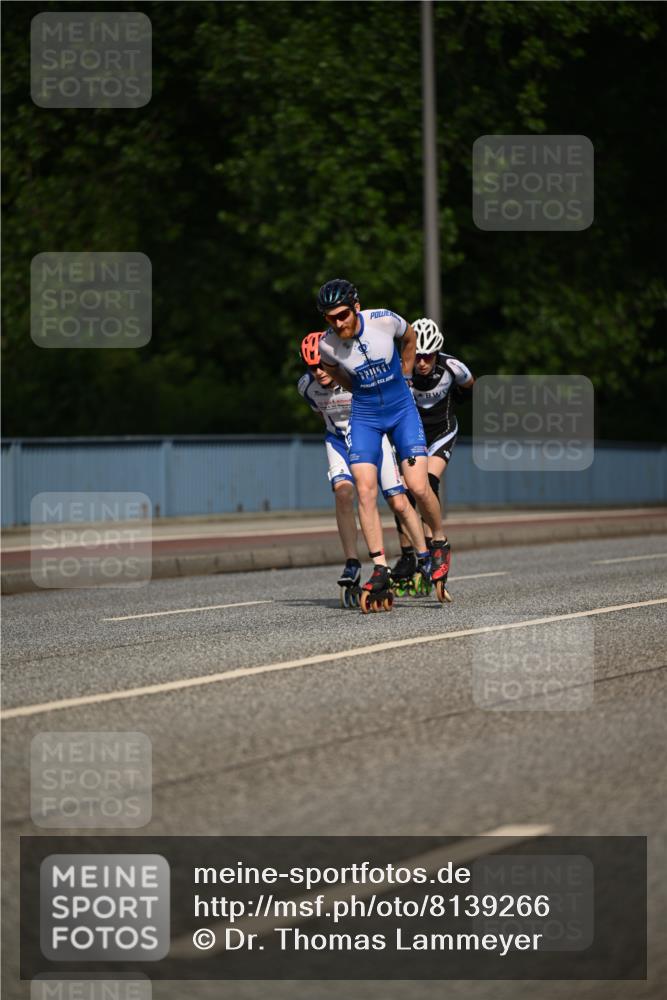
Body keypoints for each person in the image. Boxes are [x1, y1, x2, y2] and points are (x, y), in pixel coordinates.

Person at [315, 278, 451, 603]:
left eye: (343, 314)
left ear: (356, 307)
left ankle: (439, 541)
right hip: (366, 415)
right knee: (364, 488)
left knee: (418, 487)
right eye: (331, 317)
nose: (339, 323)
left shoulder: (383, 320)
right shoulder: (327, 345)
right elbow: (332, 370)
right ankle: (379, 566)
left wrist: (405, 372)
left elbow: (409, 337)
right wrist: (356, 389)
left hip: (401, 409)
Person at [298, 331, 429, 605]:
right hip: (338, 442)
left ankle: (424, 555)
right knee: (343, 493)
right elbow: (321, 414)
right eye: (312, 367)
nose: (319, 372)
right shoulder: (306, 388)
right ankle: (352, 562)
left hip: (373, 438)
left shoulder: (354, 377)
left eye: (322, 364)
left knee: (398, 501)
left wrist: (399, 451)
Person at [391, 317, 474, 586]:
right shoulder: (402, 369)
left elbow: (470, 384)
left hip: (441, 432)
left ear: (437, 353)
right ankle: (407, 555)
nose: (422, 363)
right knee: (402, 494)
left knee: (428, 483)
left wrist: (461, 397)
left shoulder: (453, 367)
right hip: (412, 435)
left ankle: (437, 545)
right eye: (418, 357)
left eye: (428, 357)